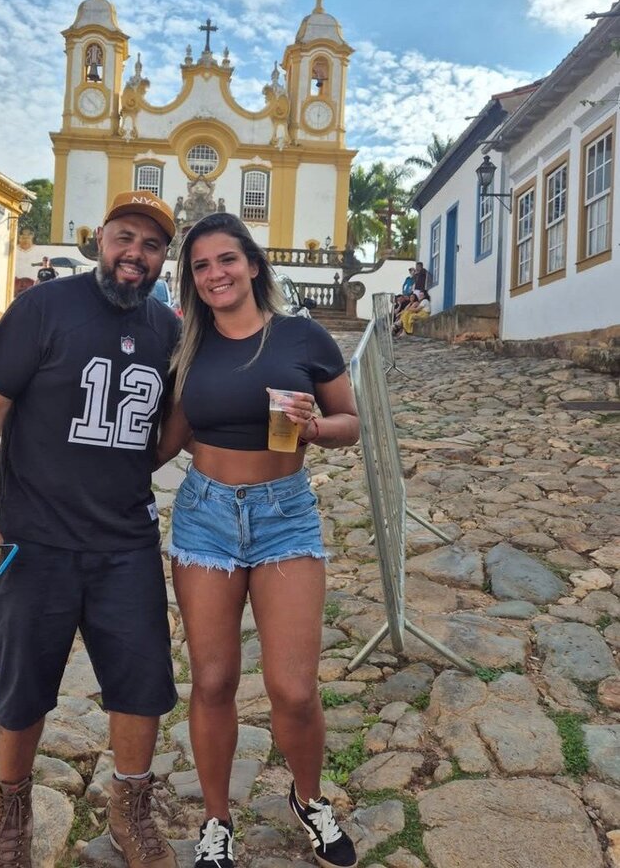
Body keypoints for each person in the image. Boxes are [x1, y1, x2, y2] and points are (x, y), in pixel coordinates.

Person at [0, 191, 181, 868]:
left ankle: (130, 812)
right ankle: (10, 815)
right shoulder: (44, 308)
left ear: (162, 258)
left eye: (151, 245)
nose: (135, 254)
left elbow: (173, 423)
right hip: (35, 539)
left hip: (125, 542)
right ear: (99, 239)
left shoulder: (167, 330)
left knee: (141, 682)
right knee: (22, 687)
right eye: (124, 237)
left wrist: (132, 460)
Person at [158, 213, 360, 868]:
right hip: (205, 516)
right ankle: (216, 821)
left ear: (251, 264)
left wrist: (314, 428)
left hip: (285, 515)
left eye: (226, 260)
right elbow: (168, 440)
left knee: (293, 690)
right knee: (213, 680)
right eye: (200, 266)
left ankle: (309, 798)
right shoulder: (188, 347)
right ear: (191, 280)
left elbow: (349, 421)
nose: (214, 274)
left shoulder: (302, 335)